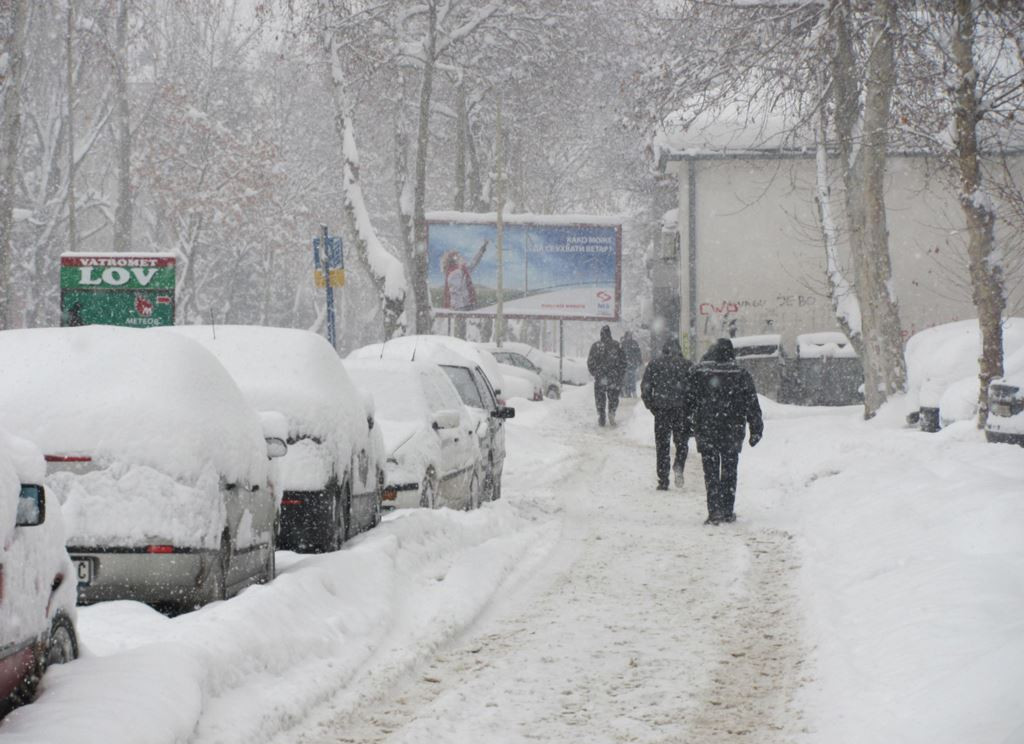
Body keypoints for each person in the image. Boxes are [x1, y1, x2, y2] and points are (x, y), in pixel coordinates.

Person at [686, 338, 763, 525]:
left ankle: (714, 511)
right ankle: (727, 510)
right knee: (729, 469)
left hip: (707, 428)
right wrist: (756, 429)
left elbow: (689, 401)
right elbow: (751, 403)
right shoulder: (741, 374)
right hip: (732, 429)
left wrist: (688, 426)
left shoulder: (699, 373)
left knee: (710, 472)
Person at [640, 337, 692, 490]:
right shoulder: (687, 365)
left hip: (661, 410)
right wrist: (690, 407)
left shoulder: (655, 364)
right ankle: (679, 465)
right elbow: (694, 390)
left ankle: (663, 479)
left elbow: (646, 387)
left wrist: (652, 406)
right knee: (682, 443)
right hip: (681, 410)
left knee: (662, 445)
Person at [587, 325, 626, 427]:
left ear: (601, 334)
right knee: (613, 397)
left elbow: (590, 362)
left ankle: (601, 415)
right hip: (614, 377)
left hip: (600, 378)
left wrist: (595, 373)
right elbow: (623, 362)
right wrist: (620, 375)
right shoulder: (617, 345)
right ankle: (612, 412)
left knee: (600, 397)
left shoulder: (596, 346)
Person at [441, 240, 488, 311]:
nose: (461, 258)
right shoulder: (455, 272)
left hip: (466, 304)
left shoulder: (461, 269)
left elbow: (473, 263)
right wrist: (461, 310)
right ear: (455, 260)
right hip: (464, 306)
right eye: (459, 257)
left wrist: (482, 250)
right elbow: (455, 293)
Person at [620, 331, 643, 398]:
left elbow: (638, 353)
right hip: (627, 364)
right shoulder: (624, 343)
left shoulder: (633, 343)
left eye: (630, 335)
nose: (629, 337)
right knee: (627, 379)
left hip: (632, 364)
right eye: (628, 335)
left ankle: (632, 391)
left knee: (632, 378)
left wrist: (639, 361)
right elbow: (621, 353)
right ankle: (629, 392)